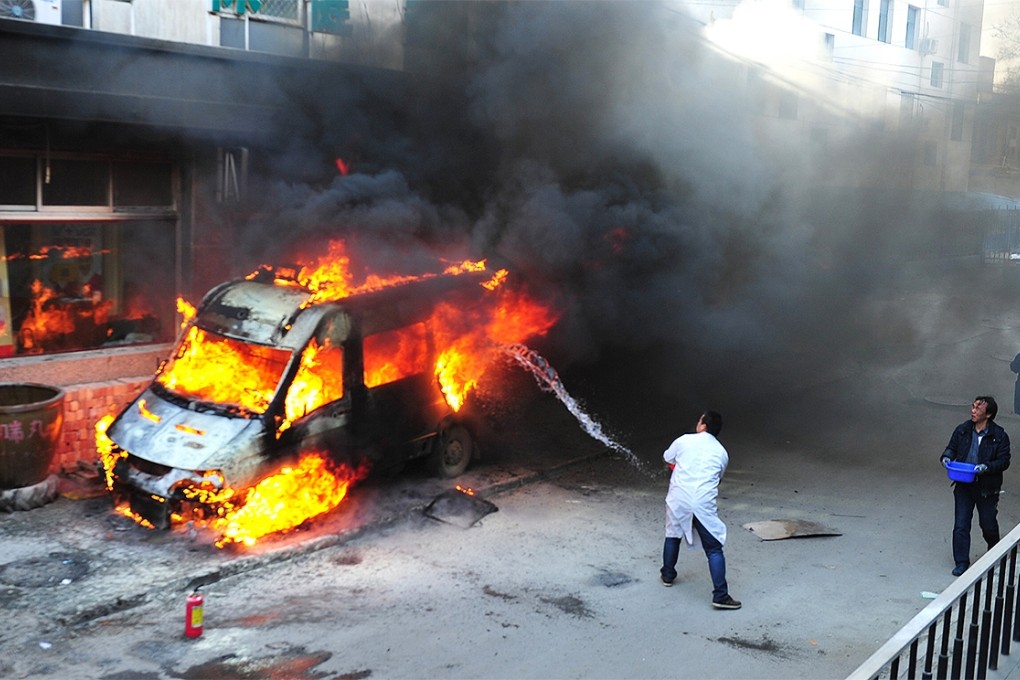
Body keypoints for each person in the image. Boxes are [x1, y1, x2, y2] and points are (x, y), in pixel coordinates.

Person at [660, 410, 741, 609]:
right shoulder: (722, 452)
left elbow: (668, 458)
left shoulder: (684, 440)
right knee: (713, 549)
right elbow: (718, 477)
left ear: (703, 425)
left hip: (678, 497)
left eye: (699, 420)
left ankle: (668, 575)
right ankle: (720, 595)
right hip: (703, 502)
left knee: (672, 535)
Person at [940, 396, 1011, 576]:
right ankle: (962, 562)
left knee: (988, 524)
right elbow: (951, 448)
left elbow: (1004, 461)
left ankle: (995, 551)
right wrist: (946, 457)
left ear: (988, 414)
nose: (973, 411)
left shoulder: (999, 436)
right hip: (964, 484)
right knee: (961, 524)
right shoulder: (962, 430)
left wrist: (986, 467)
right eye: (973, 407)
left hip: (987, 488)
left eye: (978, 409)